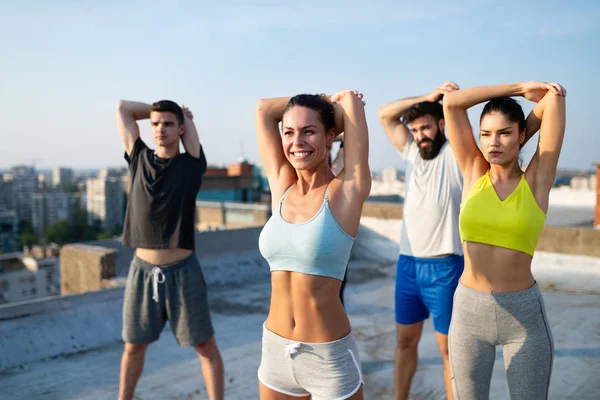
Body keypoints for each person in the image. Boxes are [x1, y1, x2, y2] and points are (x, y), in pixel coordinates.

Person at [443, 81, 566, 399]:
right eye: (485, 133)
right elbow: (453, 104)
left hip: (523, 317)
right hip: (468, 313)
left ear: (522, 135)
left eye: (504, 133)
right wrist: (519, 88)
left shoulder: (537, 181)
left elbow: (554, 98)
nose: (492, 142)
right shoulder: (472, 172)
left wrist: (533, 110)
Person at [256, 90, 371, 399]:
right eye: (290, 132)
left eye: (309, 131)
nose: (297, 142)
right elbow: (265, 110)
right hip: (275, 352)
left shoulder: (346, 192)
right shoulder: (281, 184)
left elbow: (353, 106)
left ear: (330, 136)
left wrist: (339, 102)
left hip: (328, 358)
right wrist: (319, 99)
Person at [116, 100, 224, 400]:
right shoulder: (138, 157)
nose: (160, 129)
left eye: (167, 124)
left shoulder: (191, 165)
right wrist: (155, 108)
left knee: (205, 346)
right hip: (142, 273)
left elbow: (192, 142)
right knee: (133, 347)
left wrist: (183, 115)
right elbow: (123, 108)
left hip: (183, 273)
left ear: (180, 129)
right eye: (155, 124)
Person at [378, 82, 463, 400]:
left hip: (446, 265)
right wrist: (425, 98)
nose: (419, 135)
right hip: (408, 265)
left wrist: (442, 103)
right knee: (404, 341)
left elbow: (458, 113)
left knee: (448, 349)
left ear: (441, 125)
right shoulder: (412, 152)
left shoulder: (455, 154)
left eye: (425, 127)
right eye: (414, 129)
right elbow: (385, 115)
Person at [329, 136, 348, 306]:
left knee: (335, 296)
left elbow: (350, 135)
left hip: (335, 245)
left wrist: (326, 136)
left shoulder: (337, 169)